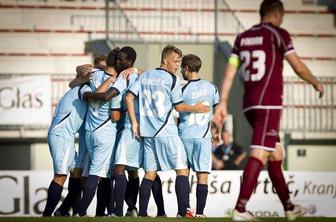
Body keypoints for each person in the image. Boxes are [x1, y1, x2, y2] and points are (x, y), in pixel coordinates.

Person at [213, 0, 324, 221]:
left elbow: (229, 73)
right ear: (276, 14)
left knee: (276, 153)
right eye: (282, 15)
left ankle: (289, 207)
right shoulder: (278, 34)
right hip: (269, 104)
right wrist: (315, 81)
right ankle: (241, 209)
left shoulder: (242, 38)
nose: (282, 19)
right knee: (260, 153)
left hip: (249, 103)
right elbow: (298, 65)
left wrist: (223, 102)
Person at [125, 45, 209, 217]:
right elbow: (178, 106)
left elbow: (128, 97)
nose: (178, 65)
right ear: (165, 60)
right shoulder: (172, 79)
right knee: (182, 169)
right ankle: (182, 212)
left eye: (179, 62)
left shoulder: (145, 76)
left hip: (147, 134)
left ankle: (141, 214)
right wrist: (196, 108)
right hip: (166, 131)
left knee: (149, 173)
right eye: (176, 61)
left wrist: (135, 122)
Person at [42, 68, 91, 217]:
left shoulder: (73, 91)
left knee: (77, 172)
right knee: (60, 176)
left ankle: (63, 210)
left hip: (63, 135)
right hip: (62, 135)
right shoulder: (84, 89)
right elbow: (94, 96)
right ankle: (46, 215)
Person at [178, 54, 219, 217]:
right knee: (202, 176)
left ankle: (184, 211)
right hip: (203, 137)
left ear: (186, 68)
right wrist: (219, 132)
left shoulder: (181, 88)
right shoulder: (211, 87)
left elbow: (176, 108)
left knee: (183, 175)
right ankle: (200, 213)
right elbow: (217, 115)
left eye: (182, 68)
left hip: (184, 136)